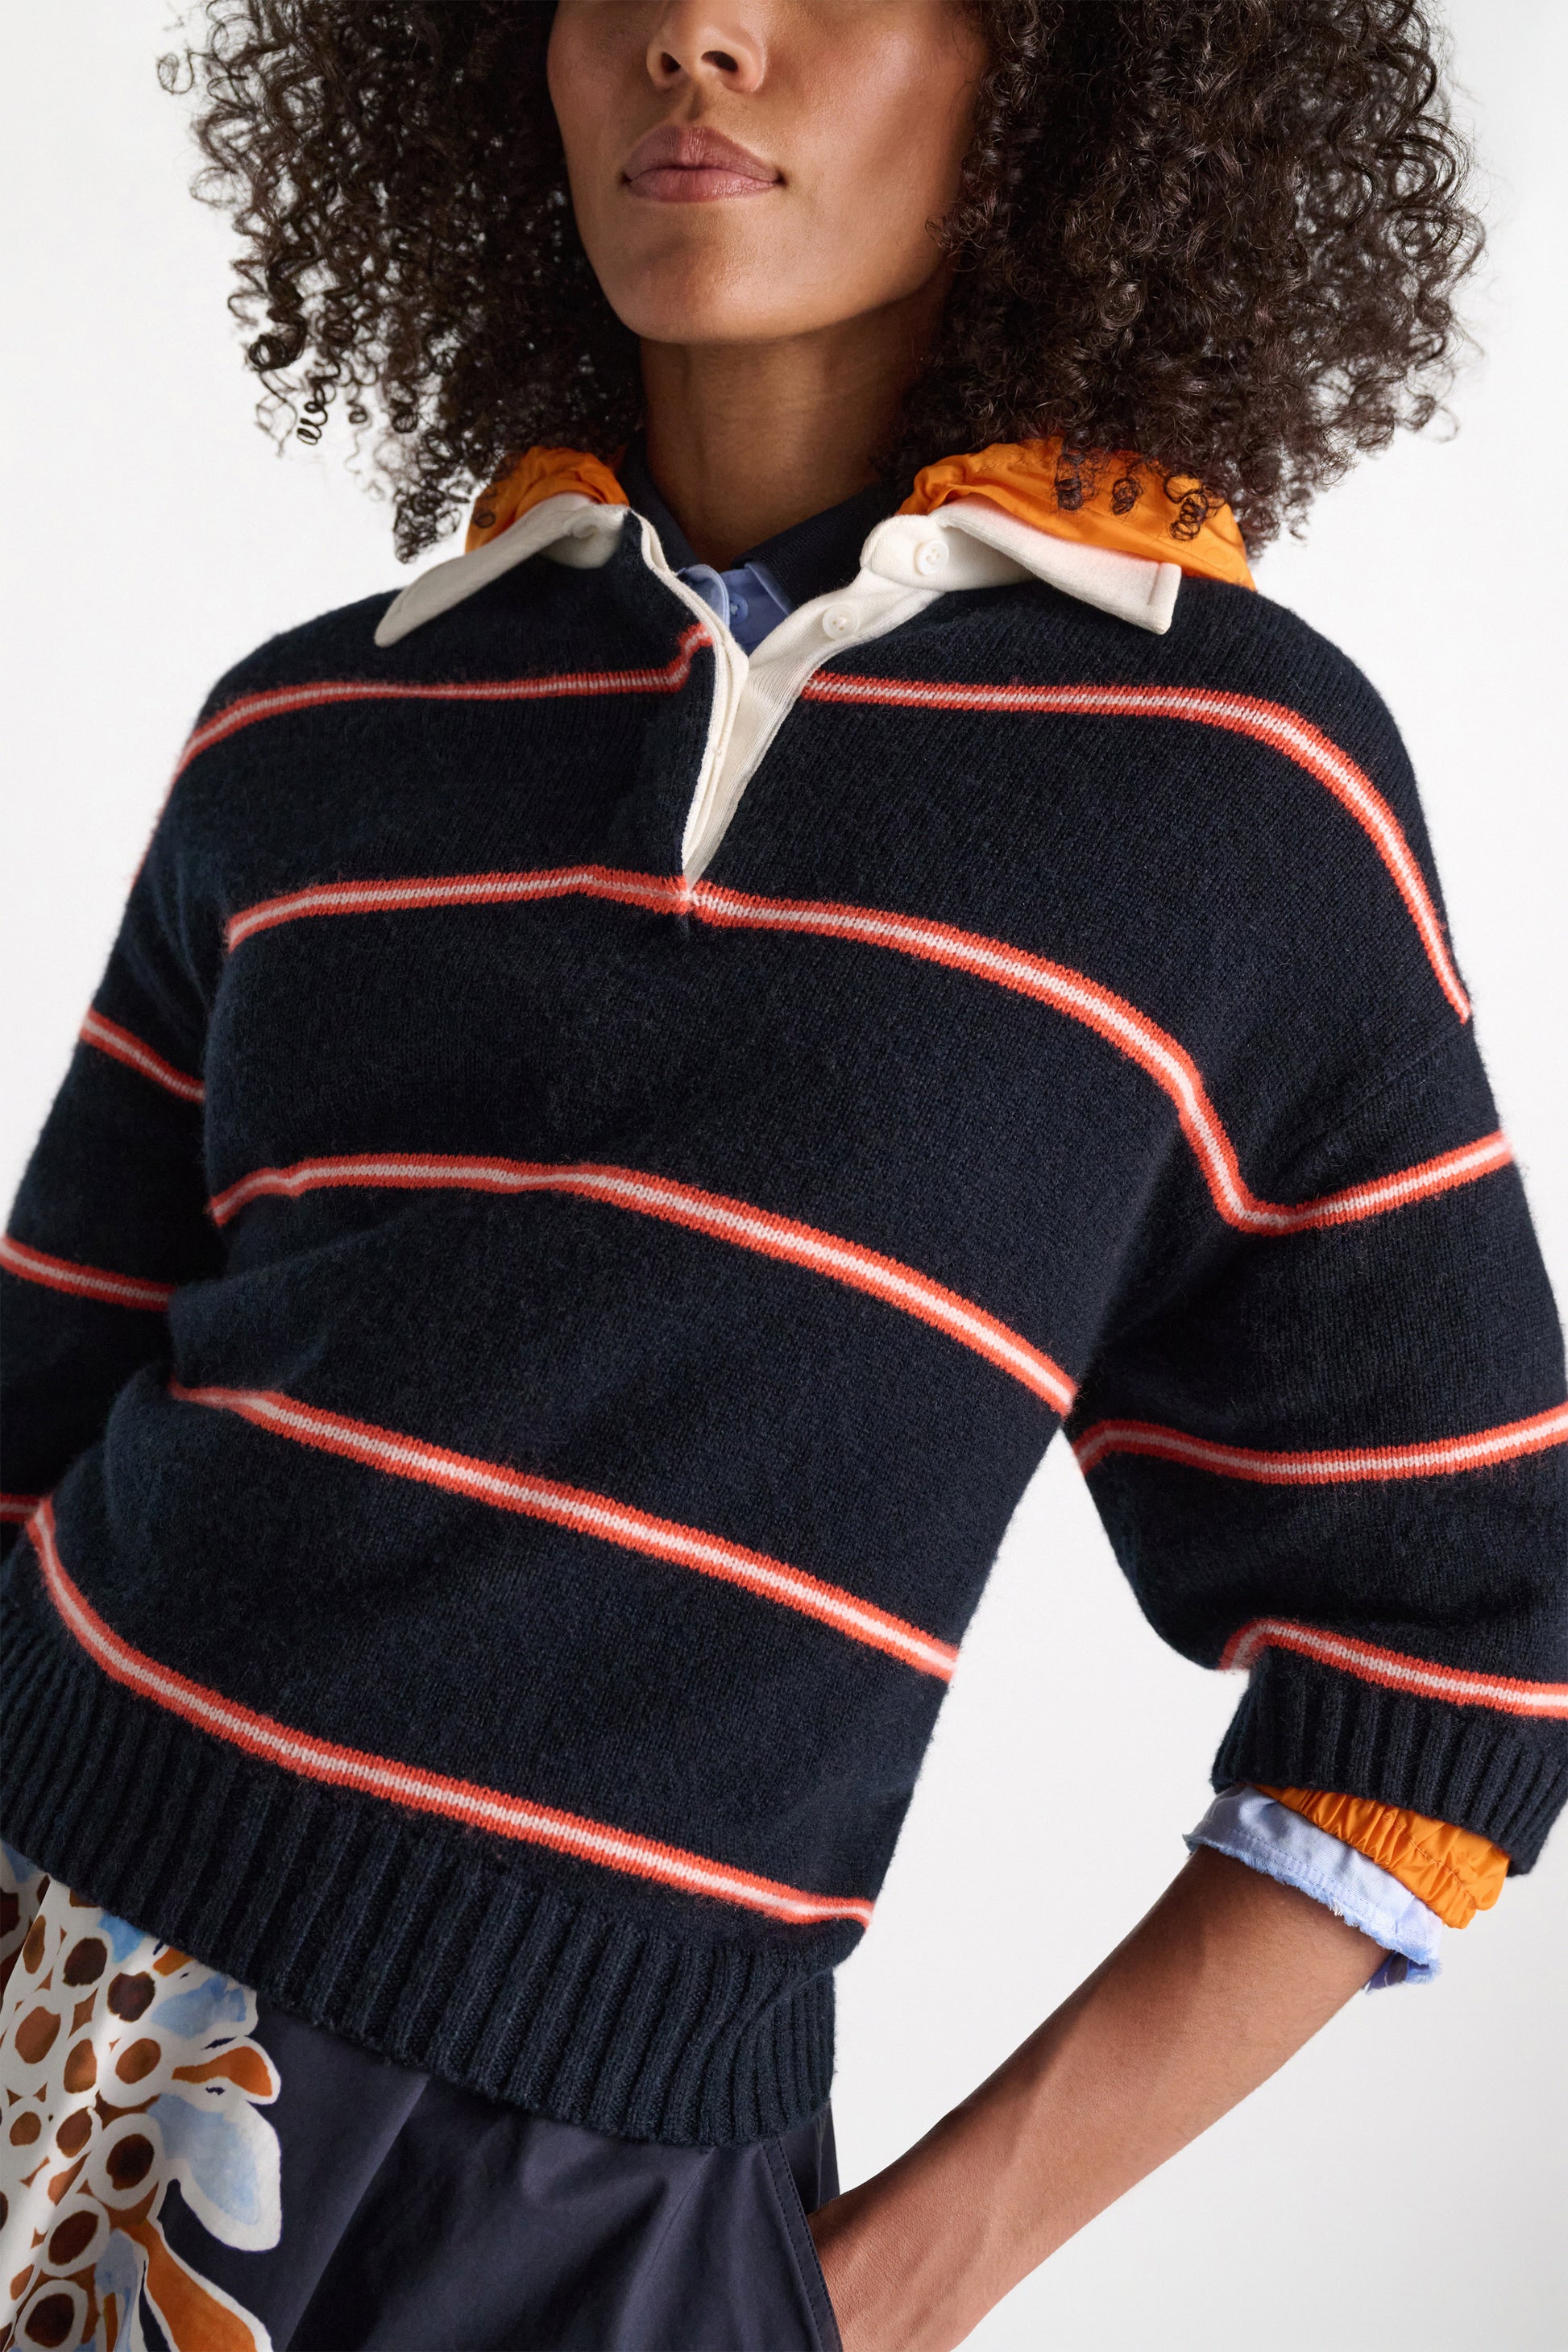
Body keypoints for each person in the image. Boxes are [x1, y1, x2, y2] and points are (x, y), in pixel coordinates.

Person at [2, 0, 1563, 2345]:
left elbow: (1465, 1647)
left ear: (1064, 70)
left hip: (596, 2191)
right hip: (43, 1960)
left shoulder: (1229, 792)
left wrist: (892, 2285)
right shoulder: (315, 729)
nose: (697, 34)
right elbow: (33, 1414)